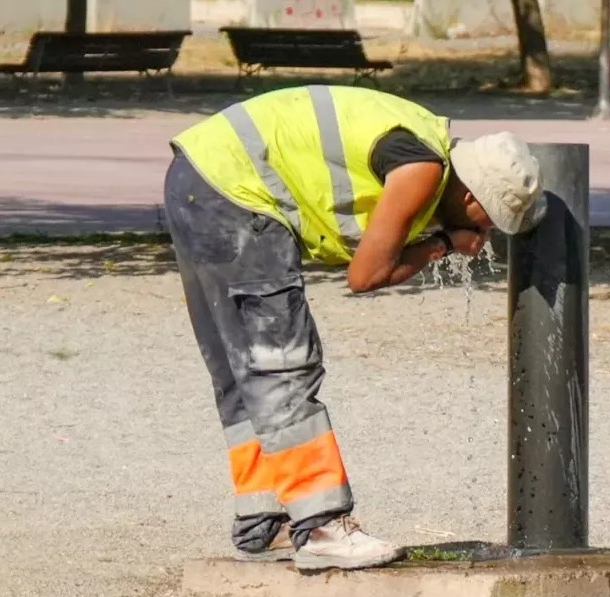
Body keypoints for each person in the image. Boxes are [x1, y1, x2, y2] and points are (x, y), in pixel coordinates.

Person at [162, 85, 543, 571]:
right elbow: (366, 276)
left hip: (199, 177)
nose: (487, 234)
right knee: (280, 363)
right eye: (488, 219)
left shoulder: (422, 145)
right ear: (469, 194)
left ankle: (262, 516)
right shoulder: (421, 170)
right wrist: (442, 243)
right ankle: (322, 527)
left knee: (242, 367)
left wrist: (443, 235)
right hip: (234, 192)